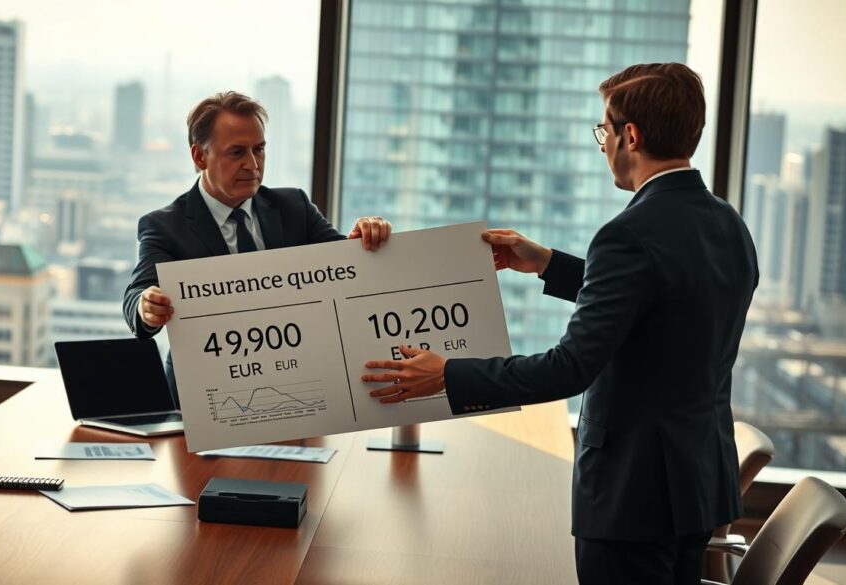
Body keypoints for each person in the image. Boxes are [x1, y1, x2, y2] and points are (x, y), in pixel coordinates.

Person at [362, 63, 759, 585]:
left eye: (604, 130)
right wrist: (548, 262)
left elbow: (570, 368)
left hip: (631, 495)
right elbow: (665, 310)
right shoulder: (728, 223)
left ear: (630, 136)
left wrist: (447, 374)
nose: (602, 145)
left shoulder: (628, 235)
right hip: (696, 485)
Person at [124, 91, 391, 405]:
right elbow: (137, 296)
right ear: (199, 157)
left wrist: (366, 239)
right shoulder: (165, 226)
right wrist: (146, 305)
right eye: (236, 152)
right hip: (205, 398)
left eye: (259, 150)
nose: (252, 164)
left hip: (298, 388)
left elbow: (345, 274)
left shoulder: (295, 207)